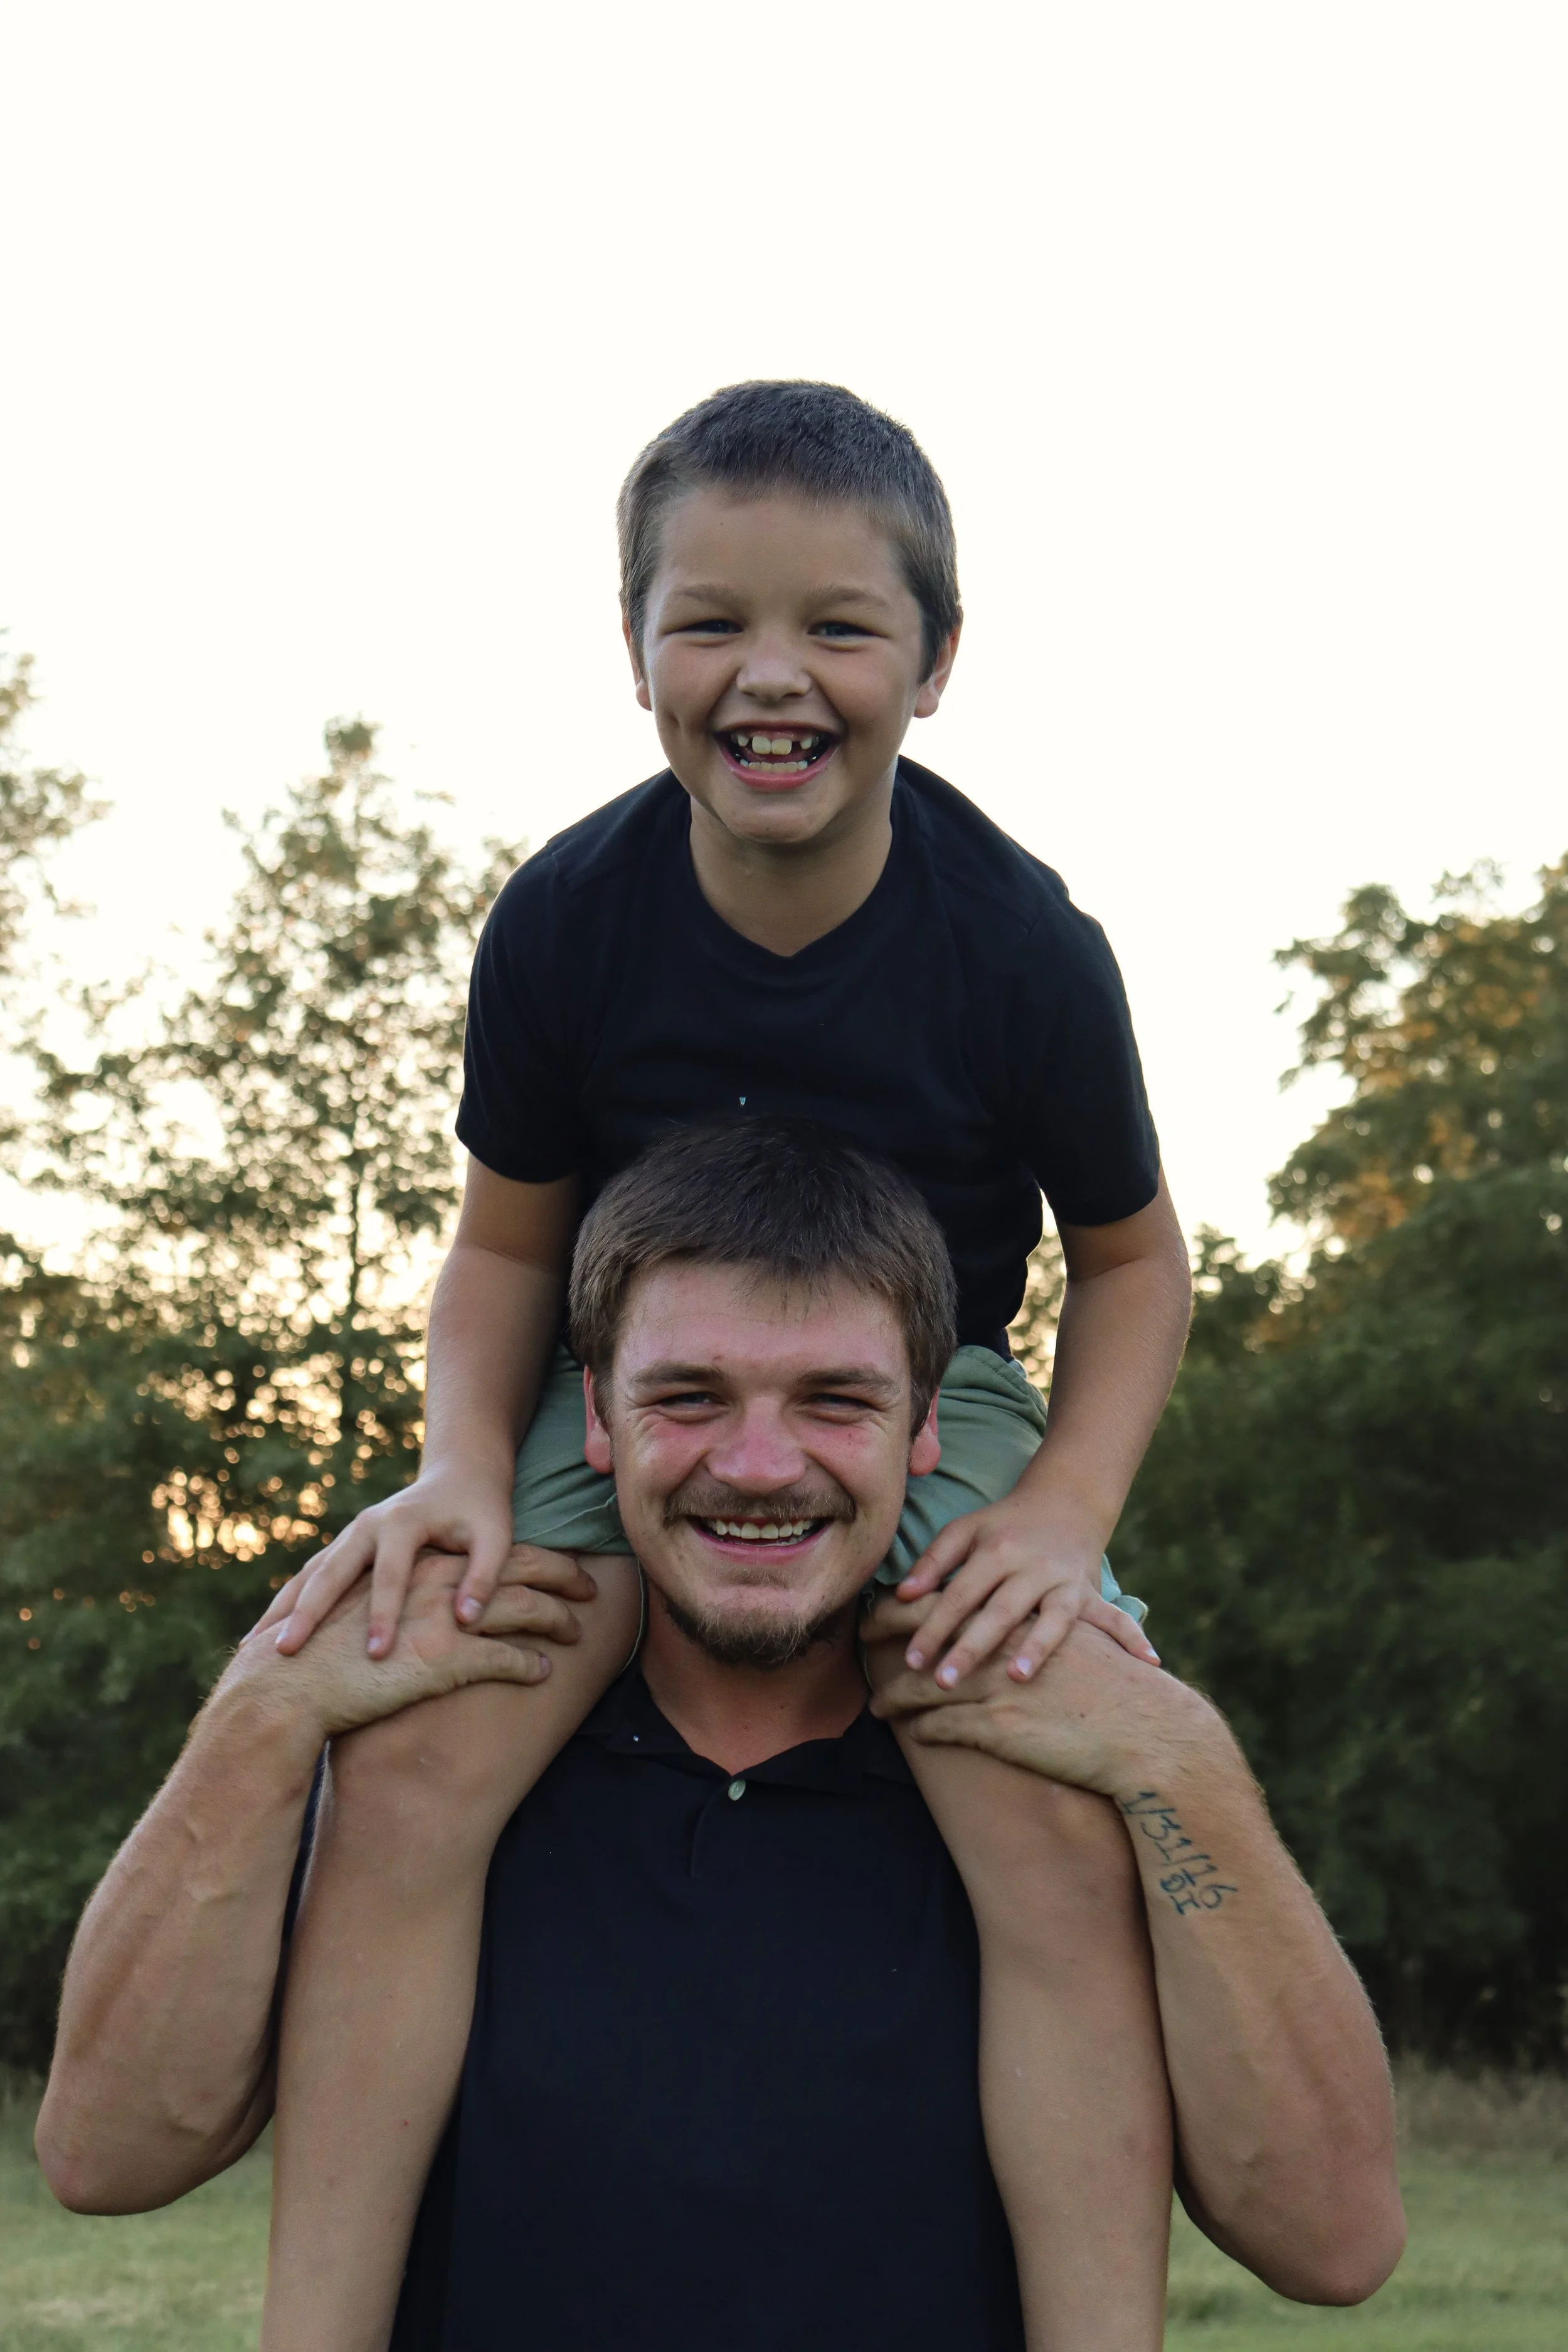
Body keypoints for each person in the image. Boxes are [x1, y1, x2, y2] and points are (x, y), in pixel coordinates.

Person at [255, 380, 1199, 2348]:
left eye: (839, 626)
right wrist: (456, 1470)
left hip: (917, 1404)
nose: (773, 677)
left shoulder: (1020, 943)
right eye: (712, 621)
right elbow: (510, 1242)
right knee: (421, 1749)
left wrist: (1056, 1517)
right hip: (643, 1397)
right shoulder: (569, 918)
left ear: (934, 662)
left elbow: (1131, 1263)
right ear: (635, 652)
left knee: (1033, 1775)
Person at [37, 1124, 1406, 2350]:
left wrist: (1183, 1768)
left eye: (835, 1400)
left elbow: (1332, 2245)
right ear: (593, 1418)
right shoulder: (442, 1757)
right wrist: (264, 1711)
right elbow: (105, 2156)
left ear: (927, 1425)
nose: (758, 1465)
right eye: (689, 1397)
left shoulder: (1047, 1775)